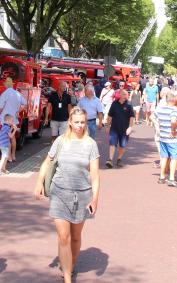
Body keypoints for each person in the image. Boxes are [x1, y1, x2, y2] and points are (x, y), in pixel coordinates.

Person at [34, 108, 100, 283]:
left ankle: (70, 264)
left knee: (76, 236)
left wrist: (95, 198)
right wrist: (39, 182)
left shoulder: (91, 144)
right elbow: (47, 162)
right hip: (60, 192)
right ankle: (68, 278)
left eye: (82, 122)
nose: (79, 125)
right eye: (76, 122)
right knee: (64, 236)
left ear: (86, 123)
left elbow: (94, 175)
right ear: (70, 122)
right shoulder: (61, 141)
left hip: (82, 195)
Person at [152, 92, 177, 187]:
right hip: (172, 139)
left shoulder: (160, 109)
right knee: (174, 158)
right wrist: (173, 131)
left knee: (164, 156)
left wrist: (159, 125)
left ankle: (162, 177)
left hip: (163, 137)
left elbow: (152, 117)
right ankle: (172, 178)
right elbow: (173, 121)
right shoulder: (174, 111)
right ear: (174, 101)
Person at [0, 77, 27, 163]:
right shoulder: (17, 93)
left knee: (7, 138)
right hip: (14, 119)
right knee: (13, 137)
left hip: (5, 119)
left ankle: (8, 156)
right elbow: (25, 104)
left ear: (7, 85)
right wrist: (18, 112)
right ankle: (13, 156)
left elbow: (0, 106)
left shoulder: (5, 93)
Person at [105, 89, 134, 168]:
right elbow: (110, 116)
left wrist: (130, 127)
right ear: (120, 95)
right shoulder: (114, 104)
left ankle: (119, 158)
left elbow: (131, 117)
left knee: (122, 144)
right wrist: (108, 126)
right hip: (114, 128)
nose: (126, 96)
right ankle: (110, 159)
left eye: (126, 94)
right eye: (124, 94)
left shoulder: (129, 104)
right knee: (112, 143)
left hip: (124, 128)